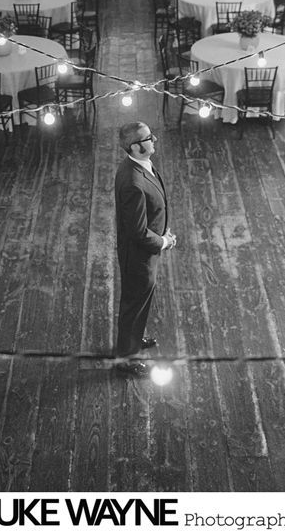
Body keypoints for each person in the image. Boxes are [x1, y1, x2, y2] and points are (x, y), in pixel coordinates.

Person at [114, 122, 176, 377]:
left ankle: (134, 341)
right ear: (136, 146)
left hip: (146, 254)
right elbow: (138, 232)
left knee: (140, 303)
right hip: (139, 258)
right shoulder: (132, 182)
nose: (155, 139)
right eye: (149, 138)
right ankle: (126, 361)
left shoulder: (139, 166)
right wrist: (164, 242)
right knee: (133, 306)